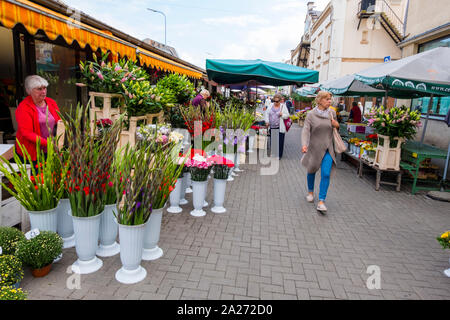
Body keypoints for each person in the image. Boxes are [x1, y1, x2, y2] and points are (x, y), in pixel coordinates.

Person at [301, 91, 339, 213]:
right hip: (314, 148)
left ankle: (321, 201)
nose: (330, 101)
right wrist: (304, 145)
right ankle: (310, 192)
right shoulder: (311, 114)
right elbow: (306, 130)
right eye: (327, 99)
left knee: (326, 173)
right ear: (320, 100)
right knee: (311, 170)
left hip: (328, 148)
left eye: (330, 99)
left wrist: (336, 124)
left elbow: (337, 127)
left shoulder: (332, 113)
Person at [15, 75, 60, 167]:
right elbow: (26, 133)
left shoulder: (51, 102)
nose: (43, 92)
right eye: (39, 89)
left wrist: (59, 139)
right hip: (32, 153)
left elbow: (59, 121)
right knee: (36, 178)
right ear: (29, 91)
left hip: (51, 148)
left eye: (44, 88)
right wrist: (48, 143)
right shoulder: (23, 107)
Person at [264, 93, 290, 159]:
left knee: (280, 142)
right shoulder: (270, 105)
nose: (276, 102)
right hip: (272, 126)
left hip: (280, 126)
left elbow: (287, 115)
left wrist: (282, 115)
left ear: (280, 100)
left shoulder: (283, 106)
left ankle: (279, 155)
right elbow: (266, 113)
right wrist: (267, 121)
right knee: (273, 141)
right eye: (274, 101)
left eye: (277, 101)